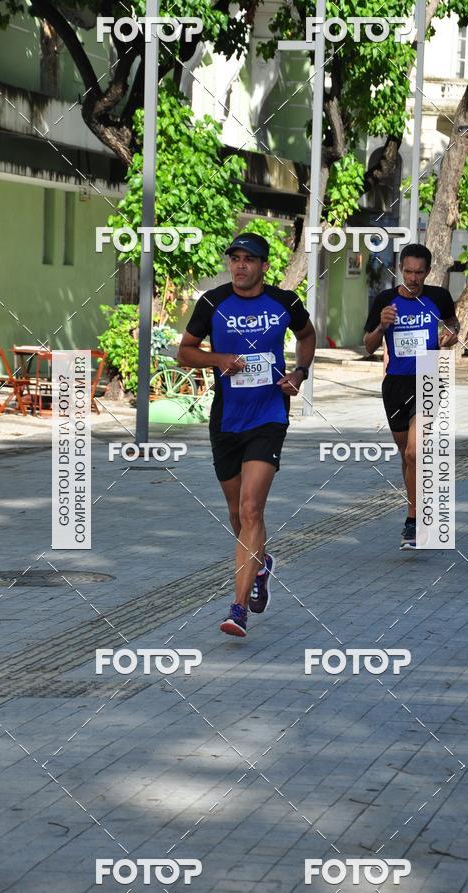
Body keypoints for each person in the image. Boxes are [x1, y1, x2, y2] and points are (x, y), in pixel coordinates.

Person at [178, 233, 316, 637]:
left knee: (253, 508)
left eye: (248, 259)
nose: (239, 265)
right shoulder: (212, 302)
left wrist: (299, 373)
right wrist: (217, 358)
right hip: (226, 419)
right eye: (234, 258)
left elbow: (307, 336)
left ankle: (237, 608)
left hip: (269, 415)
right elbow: (185, 350)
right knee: (238, 513)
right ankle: (261, 562)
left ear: (263, 266)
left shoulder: (284, 302)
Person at [363, 243, 459, 550]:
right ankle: (416, 504)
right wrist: (382, 325)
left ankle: (414, 518)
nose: (413, 278)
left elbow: (452, 325)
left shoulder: (439, 297)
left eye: (419, 272)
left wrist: (450, 334)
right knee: (407, 455)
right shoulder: (385, 300)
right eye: (408, 271)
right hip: (395, 385)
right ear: (400, 269)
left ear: (428, 272)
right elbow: (367, 345)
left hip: (429, 377)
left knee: (414, 453)